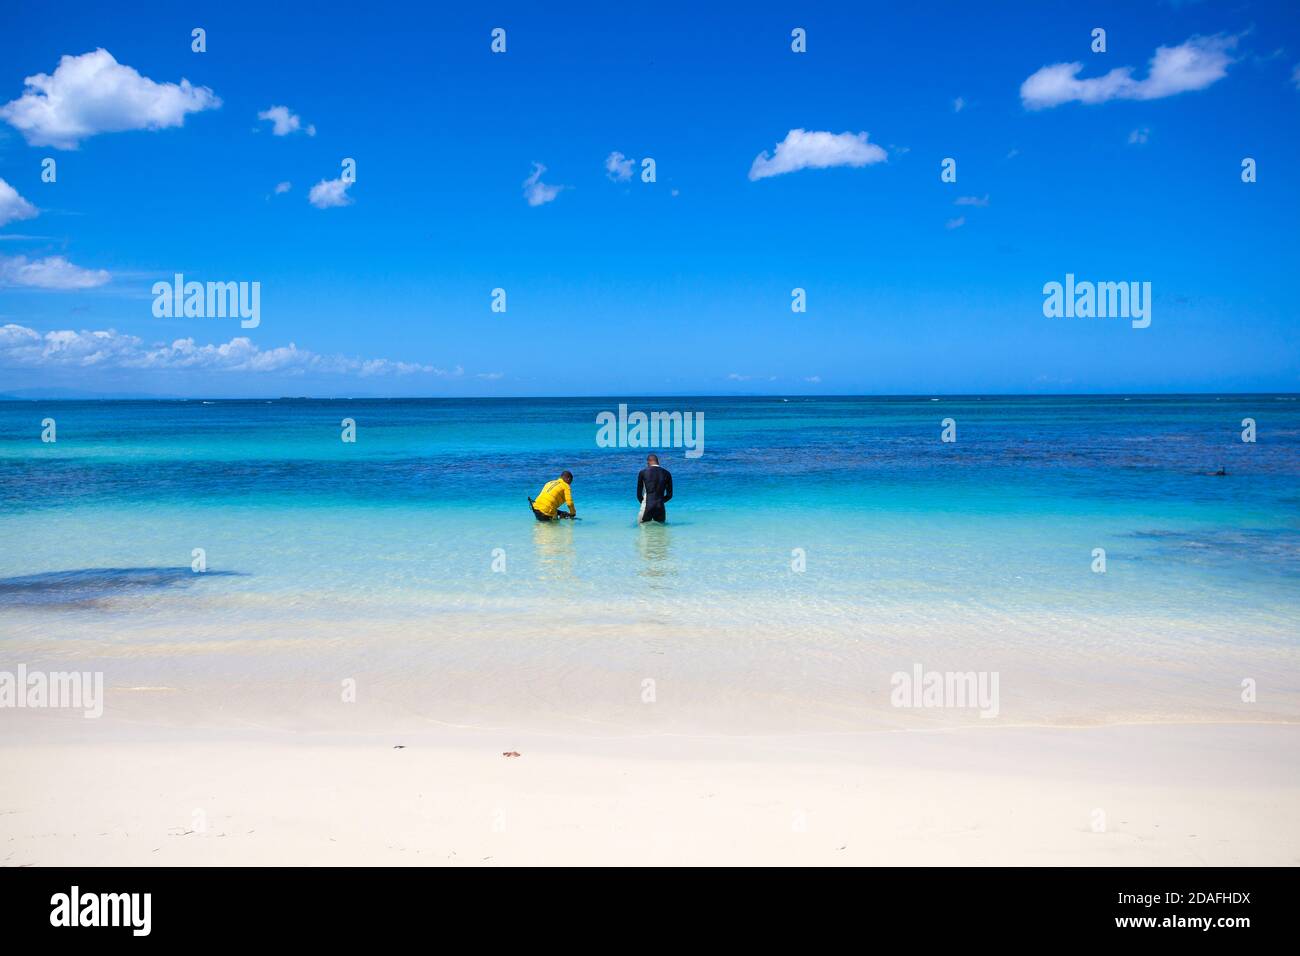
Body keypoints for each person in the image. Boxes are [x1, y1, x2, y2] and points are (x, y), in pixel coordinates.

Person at [636, 454, 672, 523]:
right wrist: (659, 501)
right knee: (661, 531)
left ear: (648, 462)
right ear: (658, 462)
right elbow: (669, 495)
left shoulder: (643, 472)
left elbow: (638, 495)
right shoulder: (667, 473)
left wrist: (643, 503)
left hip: (647, 505)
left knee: (642, 529)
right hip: (660, 506)